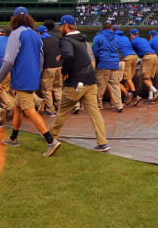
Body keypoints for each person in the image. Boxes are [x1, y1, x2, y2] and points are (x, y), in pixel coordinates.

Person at [0, 6, 59, 156]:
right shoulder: (36, 35)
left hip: (22, 78)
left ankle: (51, 141)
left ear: (14, 18)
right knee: (18, 107)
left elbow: (9, 61)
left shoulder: (15, 34)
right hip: (33, 75)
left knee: (29, 109)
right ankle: (13, 138)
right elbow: (41, 59)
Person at [49, 15, 110, 153]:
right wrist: (62, 57)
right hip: (90, 80)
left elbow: (70, 56)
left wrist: (64, 71)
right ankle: (103, 142)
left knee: (63, 110)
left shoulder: (66, 40)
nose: (59, 28)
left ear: (66, 26)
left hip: (76, 82)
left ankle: (51, 136)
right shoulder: (82, 40)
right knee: (95, 112)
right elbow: (77, 56)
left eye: (61, 26)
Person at [92, 22, 124, 112]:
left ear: (102, 28)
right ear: (111, 29)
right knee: (115, 85)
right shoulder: (115, 37)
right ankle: (119, 105)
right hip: (115, 63)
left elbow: (95, 52)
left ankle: (99, 105)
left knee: (100, 85)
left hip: (104, 63)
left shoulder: (98, 37)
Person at [37, 25, 62, 116]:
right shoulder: (55, 38)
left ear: (39, 33)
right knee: (58, 88)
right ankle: (62, 109)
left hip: (48, 67)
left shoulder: (40, 40)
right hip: (59, 66)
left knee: (46, 90)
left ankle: (50, 110)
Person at [130, 29, 158, 104]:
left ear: (132, 35)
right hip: (155, 57)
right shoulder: (144, 39)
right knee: (148, 77)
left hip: (147, 58)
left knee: (144, 78)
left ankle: (156, 91)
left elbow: (130, 51)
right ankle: (150, 97)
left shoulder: (133, 41)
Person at [113, 24, 138, 104]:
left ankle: (135, 96)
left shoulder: (113, 37)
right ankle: (126, 97)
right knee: (127, 78)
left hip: (126, 57)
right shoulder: (125, 37)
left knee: (127, 78)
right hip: (134, 56)